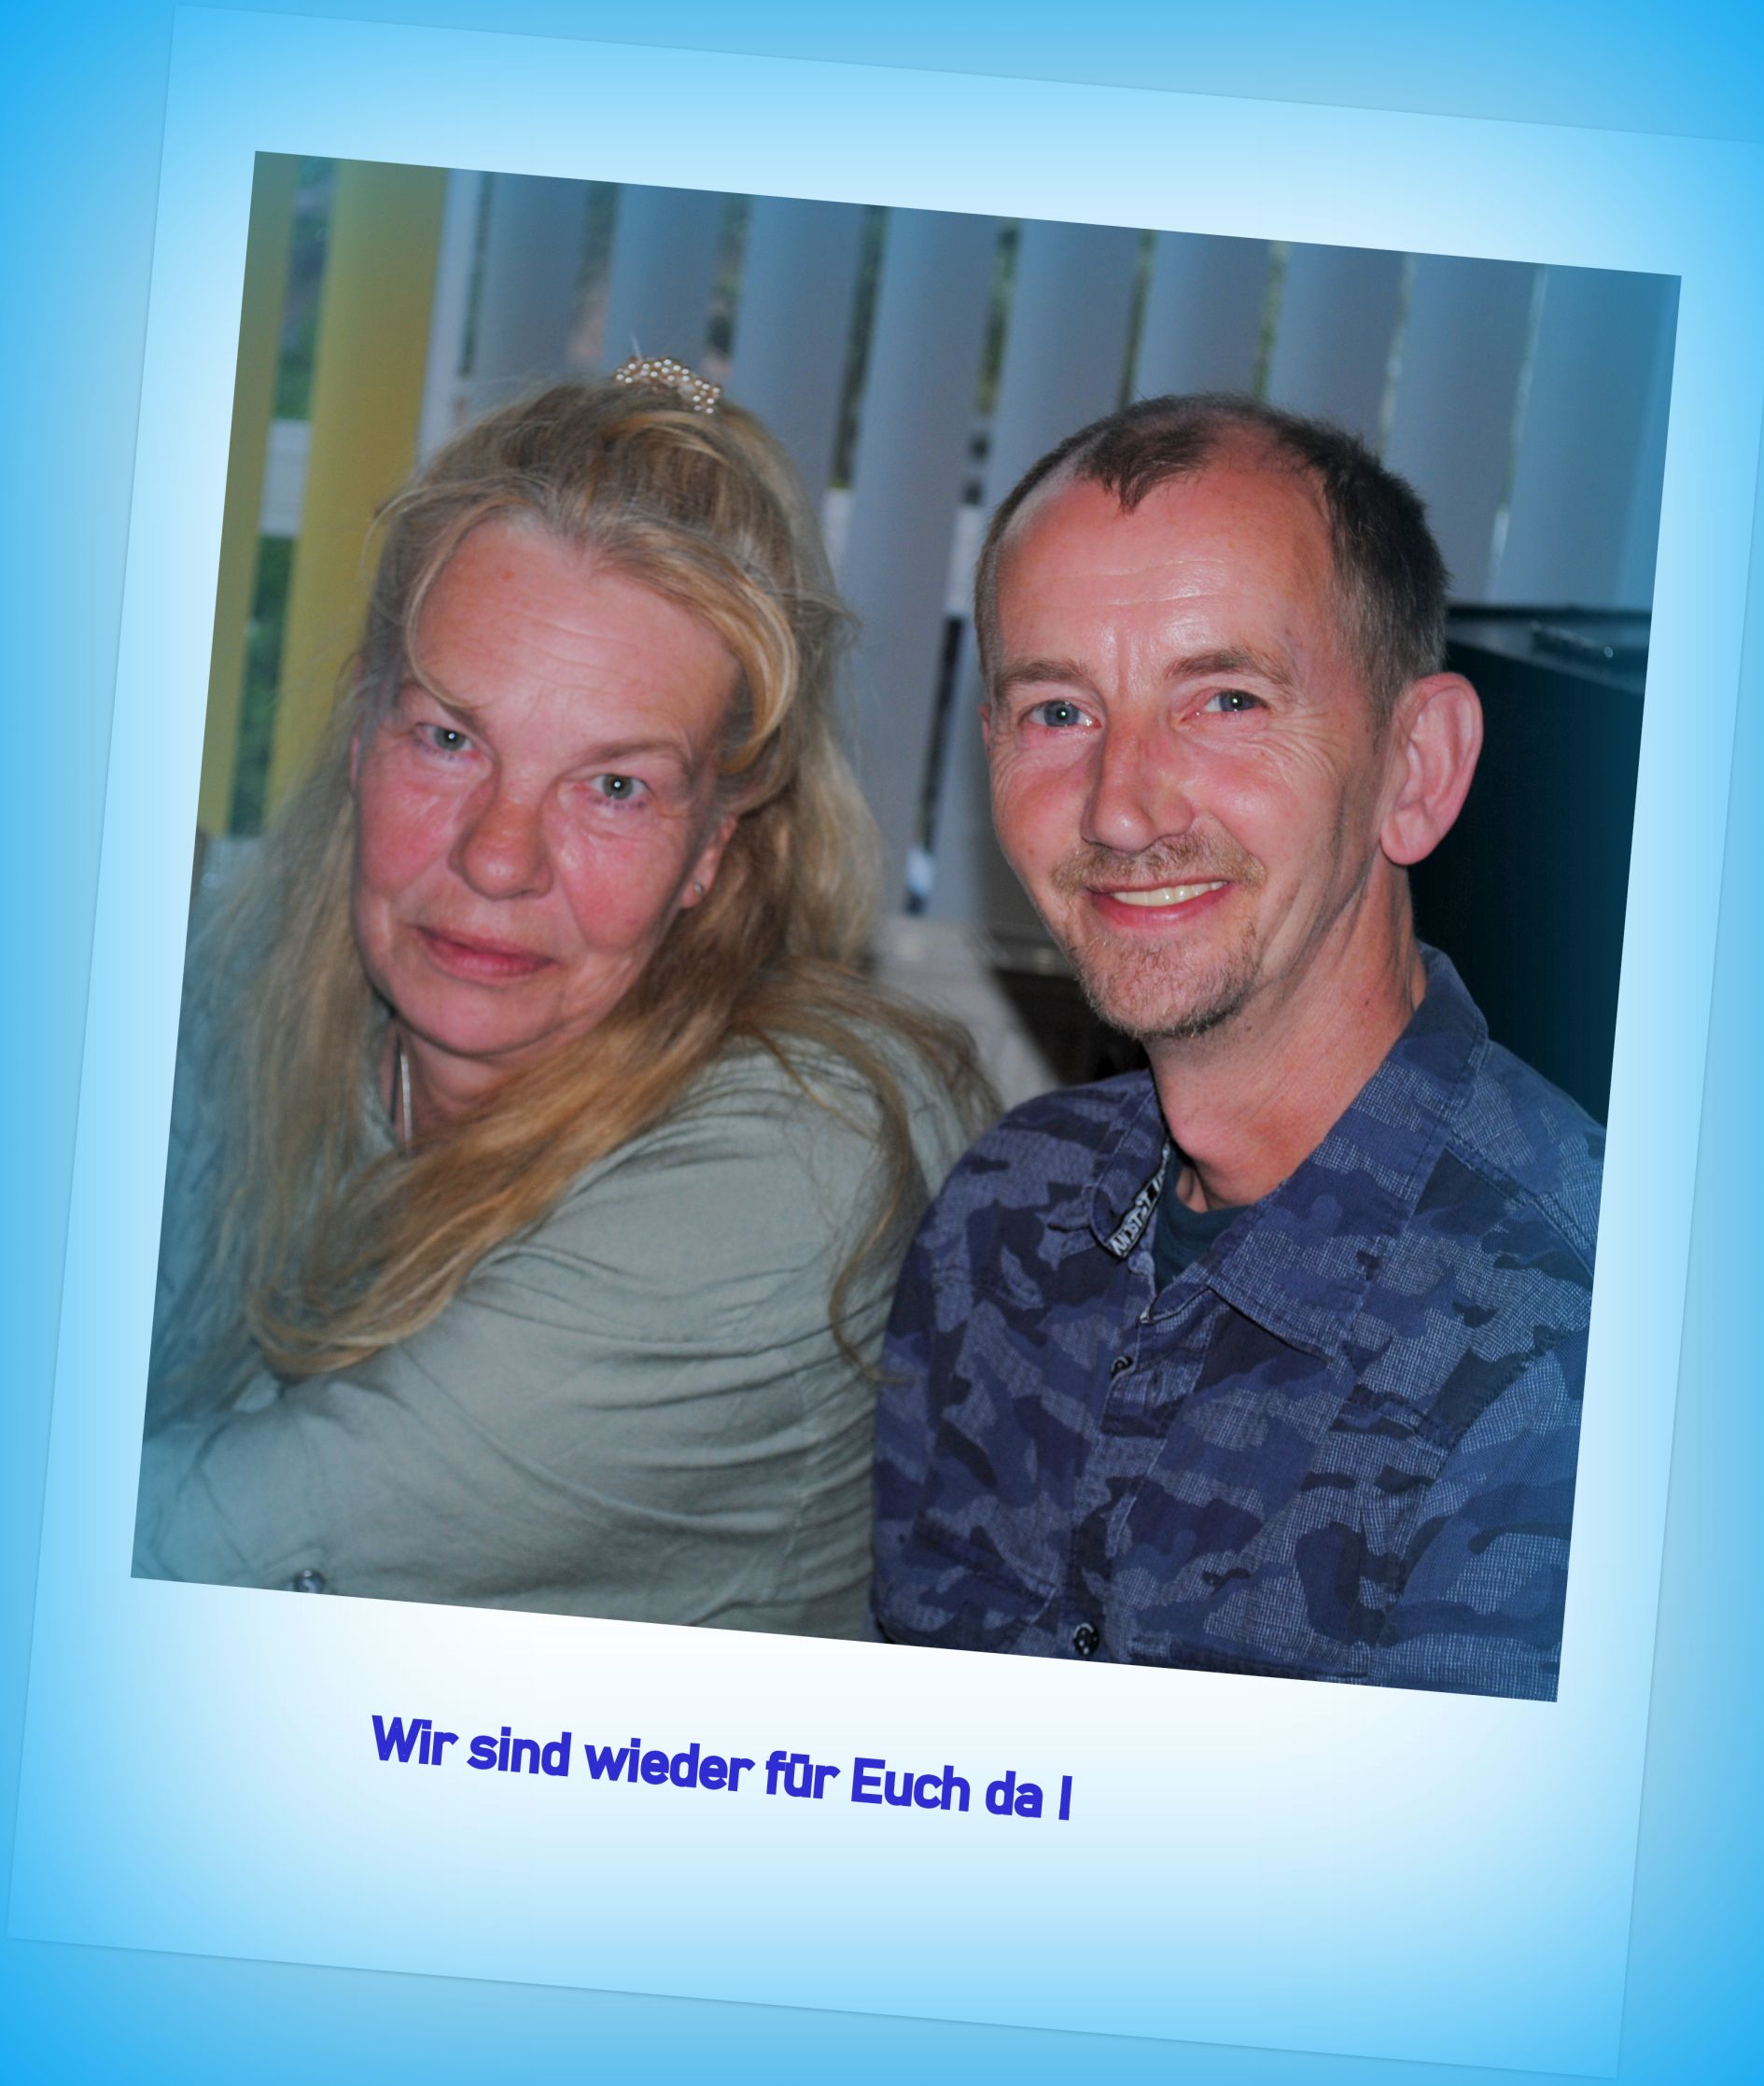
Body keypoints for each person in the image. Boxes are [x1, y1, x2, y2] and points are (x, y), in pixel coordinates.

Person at [135, 364, 987, 1634]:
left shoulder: (797, 1166)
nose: (497, 857)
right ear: (365, 733)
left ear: (713, 845)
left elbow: (200, 1547)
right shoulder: (233, 983)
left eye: (615, 787)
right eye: (449, 739)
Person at [872, 394, 1601, 1699]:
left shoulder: (1580, 1348)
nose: (1121, 807)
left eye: (1225, 699)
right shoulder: (1005, 1212)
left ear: (1417, 768)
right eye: (1058, 712)